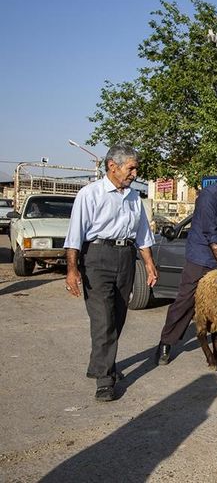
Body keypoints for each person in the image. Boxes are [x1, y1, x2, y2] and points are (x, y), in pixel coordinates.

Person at [64, 143, 159, 402]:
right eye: (131, 168)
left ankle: (103, 365)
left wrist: (149, 264)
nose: (135, 173)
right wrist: (72, 270)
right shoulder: (90, 194)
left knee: (117, 317)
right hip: (96, 258)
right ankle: (105, 379)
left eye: (136, 168)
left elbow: (142, 235)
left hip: (126, 258)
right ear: (112, 166)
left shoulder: (133, 198)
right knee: (103, 320)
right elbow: (74, 237)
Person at [155, 154, 217, 365]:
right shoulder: (210, 196)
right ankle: (166, 342)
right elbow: (211, 233)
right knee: (187, 300)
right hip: (201, 254)